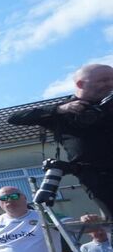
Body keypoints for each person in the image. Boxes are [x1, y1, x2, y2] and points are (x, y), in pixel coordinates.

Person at [8, 63, 113, 214]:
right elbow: (15, 118)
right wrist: (58, 109)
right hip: (97, 176)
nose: (109, 84)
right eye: (103, 80)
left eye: (112, 79)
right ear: (80, 84)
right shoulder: (62, 112)